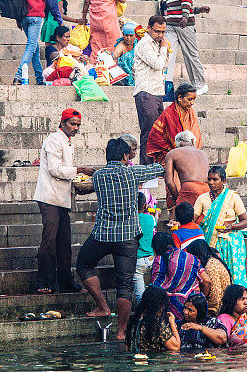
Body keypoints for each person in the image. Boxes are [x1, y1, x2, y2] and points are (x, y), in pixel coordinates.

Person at [75, 138, 164, 340]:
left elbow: (88, 185)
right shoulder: (132, 172)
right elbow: (158, 169)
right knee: (125, 284)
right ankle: (122, 332)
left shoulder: (98, 176)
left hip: (103, 234)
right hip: (127, 237)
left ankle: (103, 307)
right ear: (125, 156)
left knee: (84, 265)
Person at [33, 108, 94, 294]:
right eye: (72, 124)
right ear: (62, 123)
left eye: (78, 125)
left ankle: (66, 282)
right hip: (49, 197)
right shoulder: (53, 140)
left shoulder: (67, 142)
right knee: (49, 241)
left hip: (62, 198)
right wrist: (80, 169)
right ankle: (44, 282)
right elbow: (55, 169)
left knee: (64, 242)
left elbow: (64, 172)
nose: (75, 128)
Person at [194, 166, 247, 286]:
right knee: (215, 278)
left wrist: (232, 227)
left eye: (215, 179)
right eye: (209, 179)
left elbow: (245, 221)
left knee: (234, 276)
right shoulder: (202, 198)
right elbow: (192, 220)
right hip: (211, 243)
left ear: (223, 181)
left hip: (231, 243)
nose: (210, 182)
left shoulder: (233, 197)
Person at [13, 0, 64, 85]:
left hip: (23, 17)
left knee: (34, 47)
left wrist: (18, 19)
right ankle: (19, 75)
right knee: (31, 45)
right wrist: (59, 19)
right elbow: (52, 2)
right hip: (36, 16)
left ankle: (39, 79)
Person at [163, 0, 209, 95]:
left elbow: (174, 5)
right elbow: (186, 1)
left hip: (170, 23)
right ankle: (200, 85)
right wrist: (185, 16)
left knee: (168, 56)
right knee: (191, 54)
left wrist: (199, 9)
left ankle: (166, 84)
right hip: (184, 25)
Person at [134, 16, 170, 164]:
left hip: (157, 92)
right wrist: (163, 48)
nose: (160, 35)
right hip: (146, 93)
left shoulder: (157, 44)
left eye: (163, 32)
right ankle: (146, 169)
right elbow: (157, 64)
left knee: (158, 133)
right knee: (148, 133)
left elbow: (164, 64)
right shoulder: (144, 44)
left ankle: (154, 166)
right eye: (157, 31)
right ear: (149, 28)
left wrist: (164, 49)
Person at [151, 232, 207, 318]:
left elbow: (155, 286)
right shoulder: (191, 257)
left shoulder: (159, 260)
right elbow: (207, 280)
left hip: (171, 308)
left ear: (156, 247)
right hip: (194, 306)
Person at [147, 83, 203, 164]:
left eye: (194, 99)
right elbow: (156, 135)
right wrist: (174, 150)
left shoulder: (191, 112)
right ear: (180, 98)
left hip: (189, 153)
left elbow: (195, 134)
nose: (192, 103)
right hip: (169, 152)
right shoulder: (168, 114)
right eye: (189, 99)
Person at [164, 130, 209, 211]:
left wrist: (177, 198)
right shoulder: (203, 153)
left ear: (177, 143)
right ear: (192, 141)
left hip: (190, 188)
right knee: (203, 220)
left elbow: (169, 181)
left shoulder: (172, 153)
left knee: (184, 220)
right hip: (207, 188)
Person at [125, 285, 180, 352]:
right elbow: (176, 347)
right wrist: (173, 325)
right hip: (154, 360)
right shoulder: (157, 324)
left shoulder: (135, 320)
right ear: (160, 305)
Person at [185, 240, 231, 316]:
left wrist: (207, 308)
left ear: (197, 255)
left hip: (219, 308)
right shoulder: (213, 261)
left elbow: (215, 295)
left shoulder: (210, 267)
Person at [134, 193, 156, 303]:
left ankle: (143, 309)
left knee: (140, 294)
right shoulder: (150, 218)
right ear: (144, 206)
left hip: (138, 259)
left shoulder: (131, 220)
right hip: (151, 258)